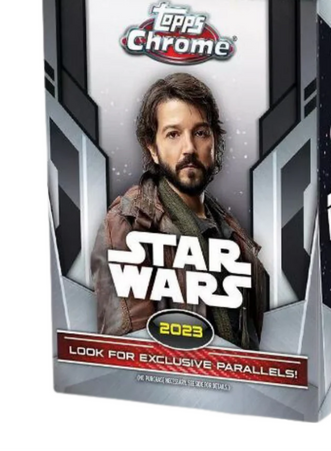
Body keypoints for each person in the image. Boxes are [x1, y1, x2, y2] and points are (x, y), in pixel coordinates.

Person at [91, 72, 268, 350]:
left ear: (214, 141)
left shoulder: (234, 236)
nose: (189, 148)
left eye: (200, 133)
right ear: (153, 148)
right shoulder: (129, 224)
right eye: (173, 134)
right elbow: (130, 350)